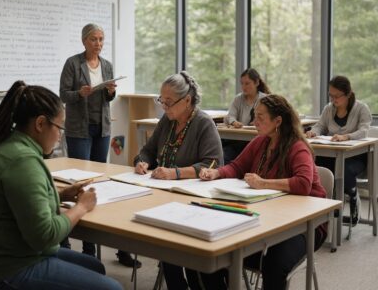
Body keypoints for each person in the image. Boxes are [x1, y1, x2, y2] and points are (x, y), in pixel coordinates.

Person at [0, 81, 122, 290]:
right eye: (60, 127)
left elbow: (19, 201)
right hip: (0, 269)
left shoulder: (10, 145)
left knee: (94, 266)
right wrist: (82, 207)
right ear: (41, 124)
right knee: (113, 288)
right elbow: (45, 236)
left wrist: (60, 195)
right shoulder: (22, 160)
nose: (60, 135)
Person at [200, 94, 327, 290]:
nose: (254, 121)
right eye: (254, 116)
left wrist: (263, 183)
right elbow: (236, 167)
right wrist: (216, 172)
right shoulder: (261, 141)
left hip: (304, 225)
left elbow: (303, 184)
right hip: (269, 216)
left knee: (274, 264)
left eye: (260, 117)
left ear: (278, 121)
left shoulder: (298, 147)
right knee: (216, 250)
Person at [134, 71, 224, 290]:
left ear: (187, 100)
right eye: (161, 101)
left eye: (168, 102)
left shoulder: (204, 123)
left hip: (194, 202)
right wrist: (142, 162)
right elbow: (148, 150)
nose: (164, 107)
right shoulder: (168, 121)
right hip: (163, 195)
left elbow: (213, 164)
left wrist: (174, 173)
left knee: (180, 248)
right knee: (166, 245)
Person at [59, 23, 137, 267]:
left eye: (101, 39)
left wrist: (111, 91)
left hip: (101, 127)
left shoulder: (106, 65)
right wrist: (80, 93)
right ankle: (69, 243)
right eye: (94, 39)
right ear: (84, 41)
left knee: (98, 182)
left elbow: (107, 97)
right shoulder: (73, 63)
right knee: (78, 183)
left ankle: (91, 248)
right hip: (79, 129)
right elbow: (63, 94)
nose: (99, 43)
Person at [306, 75, 372, 225]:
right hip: (333, 154)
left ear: (348, 94)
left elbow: (364, 131)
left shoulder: (361, 108)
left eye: (337, 96)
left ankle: (353, 197)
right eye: (331, 95)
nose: (333, 100)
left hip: (356, 157)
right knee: (316, 166)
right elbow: (320, 125)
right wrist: (313, 132)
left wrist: (346, 136)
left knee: (344, 170)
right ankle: (325, 206)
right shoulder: (329, 109)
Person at [223, 68, 270, 164]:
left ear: (256, 83)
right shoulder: (238, 99)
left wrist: (259, 122)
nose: (244, 87)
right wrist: (234, 122)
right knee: (224, 155)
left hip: (258, 140)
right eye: (242, 83)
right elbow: (230, 116)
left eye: (247, 83)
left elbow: (270, 120)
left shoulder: (265, 99)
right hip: (238, 140)